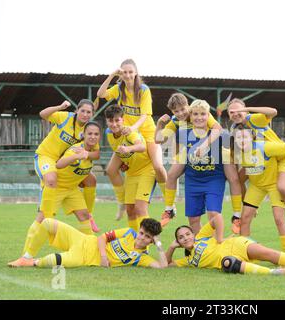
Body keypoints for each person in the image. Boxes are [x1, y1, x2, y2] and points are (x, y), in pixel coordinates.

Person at [155, 93, 242, 227]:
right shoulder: (175, 121)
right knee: (171, 174)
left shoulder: (199, 111)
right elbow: (159, 139)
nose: (180, 113)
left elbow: (217, 129)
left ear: (188, 106)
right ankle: (169, 208)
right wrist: (160, 124)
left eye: (182, 109)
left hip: (215, 149)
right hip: (190, 150)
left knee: (234, 178)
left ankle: (237, 214)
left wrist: (204, 146)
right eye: (176, 111)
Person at [97, 59, 167, 219]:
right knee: (110, 170)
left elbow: (145, 115)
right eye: (124, 72)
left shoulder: (143, 90)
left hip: (146, 132)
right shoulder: (119, 88)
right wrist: (112, 75)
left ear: (136, 73)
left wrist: (133, 128)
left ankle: (169, 202)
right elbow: (100, 94)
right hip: (127, 133)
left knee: (157, 166)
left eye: (130, 72)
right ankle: (121, 202)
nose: (128, 75)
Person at [21, 121, 102, 261]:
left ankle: (92, 252)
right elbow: (59, 164)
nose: (93, 137)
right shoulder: (75, 149)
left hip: (72, 189)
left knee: (84, 216)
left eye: (96, 134)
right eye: (90, 134)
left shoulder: (94, 148)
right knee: (42, 219)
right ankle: (25, 256)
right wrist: (76, 156)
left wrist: (87, 155)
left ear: (99, 136)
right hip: (57, 187)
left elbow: (96, 155)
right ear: (83, 135)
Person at [166, 214, 285, 276]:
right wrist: (172, 247)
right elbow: (166, 264)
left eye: (187, 234)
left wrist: (219, 238)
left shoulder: (201, 237)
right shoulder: (187, 261)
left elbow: (218, 218)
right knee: (227, 263)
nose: (186, 238)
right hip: (230, 259)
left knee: (270, 254)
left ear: (193, 234)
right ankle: (272, 273)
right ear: (179, 242)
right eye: (181, 238)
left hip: (237, 244)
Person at [227, 99, 285, 233]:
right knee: (238, 180)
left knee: (281, 187)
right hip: (259, 158)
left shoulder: (252, 119)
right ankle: (250, 207)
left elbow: (273, 111)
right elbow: (235, 150)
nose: (235, 114)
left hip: (279, 157)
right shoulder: (235, 128)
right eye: (232, 112)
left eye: (239, 111)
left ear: (246, 111)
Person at [34, 99, 101, 232]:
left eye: (89, 112)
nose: (85, 114)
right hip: (46, 156)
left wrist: (85, 154)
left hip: (64, 163)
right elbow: (43, 114)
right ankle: (45, 212)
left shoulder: (89, 130)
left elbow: (96, 153)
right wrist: (60, 106)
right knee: (51, 180)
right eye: (83, 111)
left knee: (91, 180)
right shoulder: (65, 117)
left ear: (92, 114)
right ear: (77, 110)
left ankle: (89, 214)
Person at [232, 123, 285, 254]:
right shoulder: (236, 153)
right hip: (256, 186)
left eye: (245, 137)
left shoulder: (264, 147)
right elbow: (239, 179)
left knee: (279, 219)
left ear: (252, 137)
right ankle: (246, 252)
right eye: (238, 137)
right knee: (245, 219)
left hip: (273, 185)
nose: (242, 140)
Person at [175, 99, 236, 233]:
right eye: (195, 114)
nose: (199, 117)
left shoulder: (221, 135)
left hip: (214, 178)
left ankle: (216, 246)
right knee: (193, 219)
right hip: (193, 179)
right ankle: (202, 248)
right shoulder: (182, 133)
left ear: (208, 116)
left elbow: (231, 158)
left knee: (214, 215)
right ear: (190, 116)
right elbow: (178, 153)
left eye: (203, 114)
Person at [8, 218, 167, 269]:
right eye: (141, 233)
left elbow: (163, 266)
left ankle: (29, 263)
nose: (141, 238)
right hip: (83, 239)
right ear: (138, 230)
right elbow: (101, 238)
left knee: (53, 261)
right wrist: (104, 257)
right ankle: (25, 256)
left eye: (147, 237)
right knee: (48, 223)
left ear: (151, 240)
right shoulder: (128, 232)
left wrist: (159, 244)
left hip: (84, 258)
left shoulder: (141, 258)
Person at [104, 105, 156, 232]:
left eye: (117, 120)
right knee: (130, 210)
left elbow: (141, 147)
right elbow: (120, 152)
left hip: (146, 171)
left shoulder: (129, 132)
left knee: (140, 209)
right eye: (111, 121)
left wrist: (128, 149)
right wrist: (125, 161)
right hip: (131, 174)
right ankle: (135, 241)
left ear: (123, 119)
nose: (114, 124)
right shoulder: (108, 134)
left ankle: (146, 245)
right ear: (106, 121)